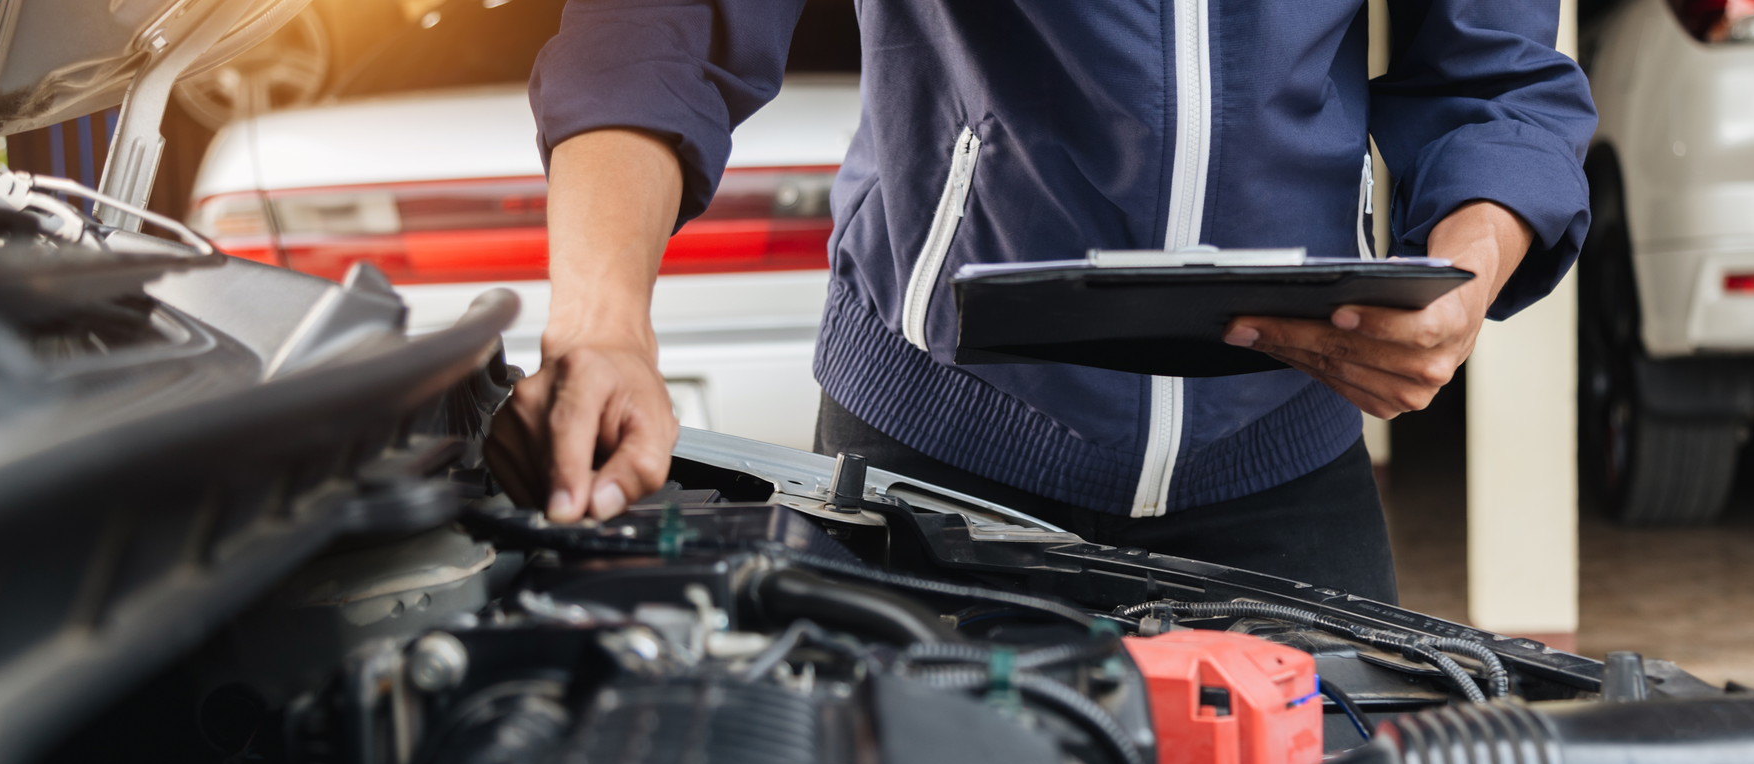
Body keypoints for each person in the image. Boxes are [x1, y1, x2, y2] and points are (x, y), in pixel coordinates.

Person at [486, 0, 1597, 603]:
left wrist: (1465, 268)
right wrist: (600, 322)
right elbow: (662, 28)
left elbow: (1500, 78)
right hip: (937, 469)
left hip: (1286, 473)